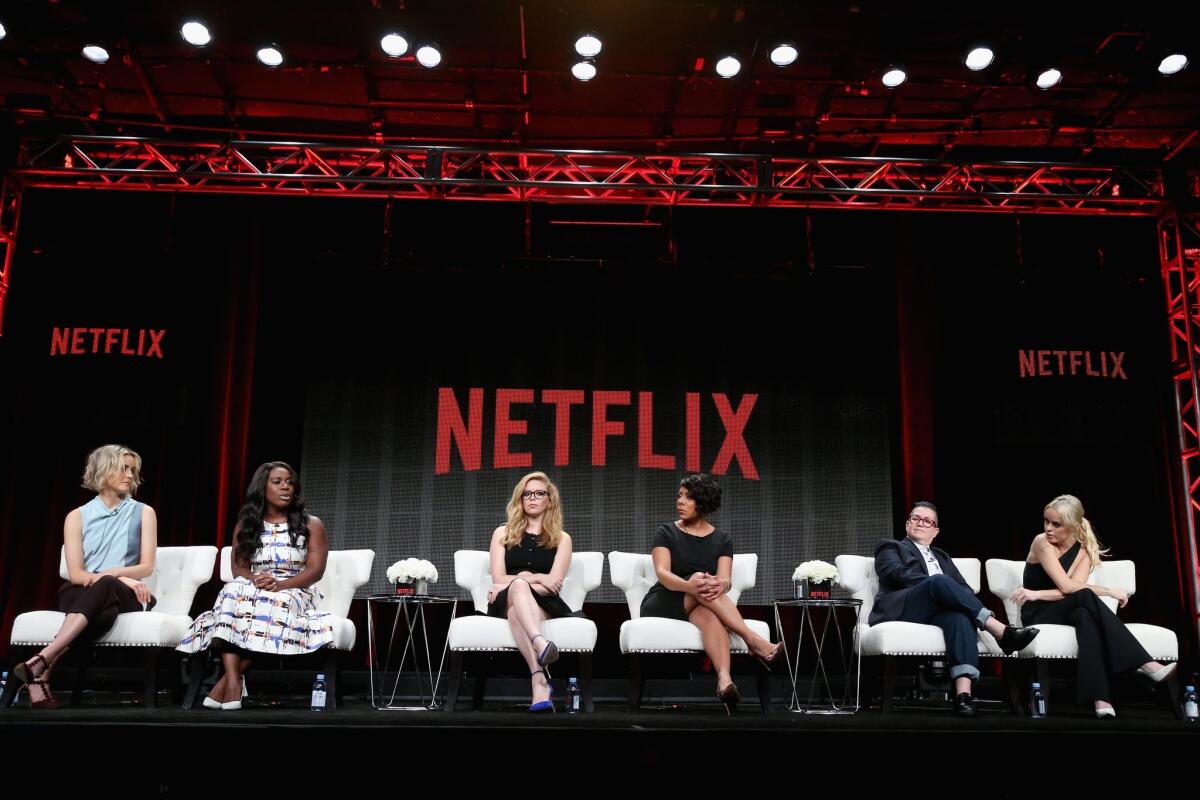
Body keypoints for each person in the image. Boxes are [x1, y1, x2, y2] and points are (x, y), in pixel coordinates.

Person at [10, 444, 158, 709]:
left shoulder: (144, 512)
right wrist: (111, 578)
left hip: (129, 594)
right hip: (84, 591)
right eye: (122, 468)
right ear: (102, 471)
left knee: (108, 583)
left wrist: (116, 575)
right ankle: (39, 674)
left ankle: (43, 661)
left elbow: (146, 567)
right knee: (100, 612)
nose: (129, 476)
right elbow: (77, 574)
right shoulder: (76, 517)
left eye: (133, 470)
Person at [178, 461, 332, 710]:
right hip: (256, 586)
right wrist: (255, 580)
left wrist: (280, 585)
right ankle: (234, 680)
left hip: (295, 588)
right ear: (263, 488)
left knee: (270, 606)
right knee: (231, 591)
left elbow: (315, 571)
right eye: (278, 482)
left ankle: (228, 682)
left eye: (290, 482)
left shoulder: (311, 524)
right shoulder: (247, 524)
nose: (286, 487)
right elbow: (239, 568)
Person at [1009, 494, 1177, 718]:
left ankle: (1101, 700)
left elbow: (1073, 590)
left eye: (1056, 524)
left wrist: (1036, 592)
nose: (1048, 528)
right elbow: (1068, 586)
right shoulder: (1042, 543)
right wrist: (1109, 591)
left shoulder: (1084, 549)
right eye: (1046, 521)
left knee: (1084, 615)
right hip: (1039, 612)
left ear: (1072, 525)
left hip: (1066, 607)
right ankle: (1144, 663)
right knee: (1085, 596)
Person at [870, 501, 1040, 716]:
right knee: (939, 582)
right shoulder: (890, 547)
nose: (921, 523)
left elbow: (963, 588)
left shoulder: (942, 556)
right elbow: (895, 574)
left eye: (927, 521)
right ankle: (1000, 630)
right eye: (916, 518)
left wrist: (949, 594)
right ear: (907, 524)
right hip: (904, 605)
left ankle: (963, 697)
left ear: (935, 531)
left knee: (960, 617)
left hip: (936, 610)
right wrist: (936, 586)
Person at [639, 473, 783, 714]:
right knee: (702, 585)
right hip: (665, 599)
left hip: (702, 602)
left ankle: (724, 680)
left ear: (703, 502)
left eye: (688, 497)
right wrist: (689, 585)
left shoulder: (722, 539)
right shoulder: (665, 532)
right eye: (679, 496)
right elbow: (663, 573)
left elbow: (725, 579)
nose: (680, 502)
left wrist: (721, 584)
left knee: (709, 609)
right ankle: (753, 640)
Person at [486, 471, 577, 713]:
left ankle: (539, 681)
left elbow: (554, 584)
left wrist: (522, 582)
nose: (533, 498)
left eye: (539, 493)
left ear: (549, 500)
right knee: (517, 588)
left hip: (543, 602)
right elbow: (498, 578)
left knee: (518, 610)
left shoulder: (562, 539)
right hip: (505, 600)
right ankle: (540, 643)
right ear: (520, 499)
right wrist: (534, 578)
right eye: (527, 494)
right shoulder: (502, 533)